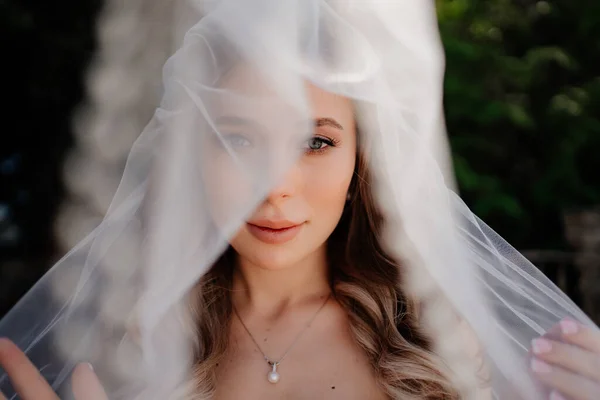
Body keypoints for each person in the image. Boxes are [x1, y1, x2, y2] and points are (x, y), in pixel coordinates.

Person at [1, 1, 599, 399]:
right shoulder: (129, 353)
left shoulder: (441, 344)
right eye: (236, 138)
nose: (276, 184)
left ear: (361, 159)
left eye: (316, 141)